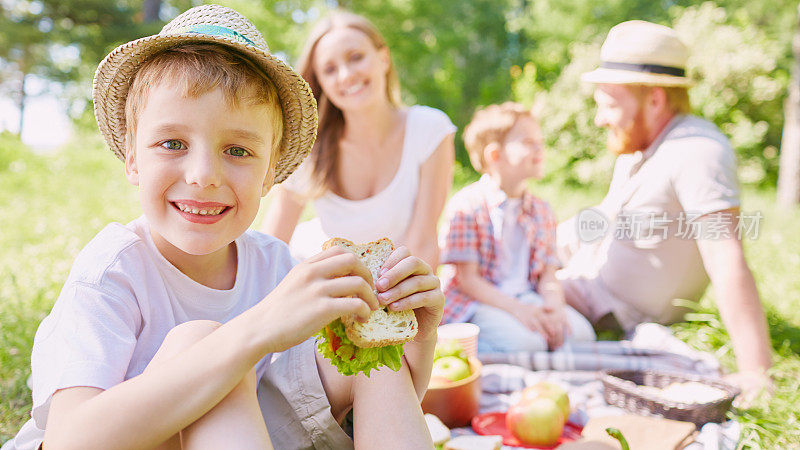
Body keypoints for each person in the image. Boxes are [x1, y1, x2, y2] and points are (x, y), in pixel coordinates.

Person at [2, 5, 443, 449]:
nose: (203, 175)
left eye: (237, 150)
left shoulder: (276, 265)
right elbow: (69, 440)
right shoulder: (112, 272)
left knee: (360, 340)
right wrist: (254, 332)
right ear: (133, 158)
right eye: (172, 143)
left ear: (270, 173)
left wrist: (417, 340)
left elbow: (368, 407)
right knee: (202, 343)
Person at [557, 20, 772, 397]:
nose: (599, 119)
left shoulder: (697, 152)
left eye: (608, 105)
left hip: (607, 301)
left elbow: (726, 259)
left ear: (655, 99)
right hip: (586, 265)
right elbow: (608, 218)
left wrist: (755, 372)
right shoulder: (643, 145)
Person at [260, 11, 455, 269]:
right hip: (333, 283)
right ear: (321, 83)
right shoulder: (310, 149)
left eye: (356, 58)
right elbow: (271, 243)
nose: (346, 75)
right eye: (329, 69)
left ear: (383, 58)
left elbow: (423, 243)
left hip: (397, 288)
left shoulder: (429, 130)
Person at [437, 102, 596, 354]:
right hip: (477, 302)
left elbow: (547, 274)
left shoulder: (541, 210)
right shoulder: (467, 206)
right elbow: (468, 281)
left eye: (540, 141)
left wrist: (554, 308)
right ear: (495, 155)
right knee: (528, 344)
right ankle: (460, 348)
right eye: (528, 142)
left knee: (582, 335)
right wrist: (519, 311)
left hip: (525, 297)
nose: (539, 148)